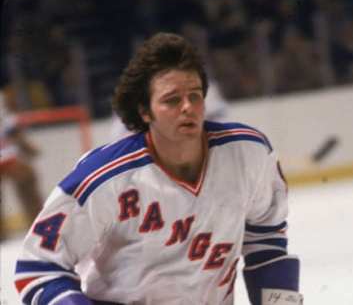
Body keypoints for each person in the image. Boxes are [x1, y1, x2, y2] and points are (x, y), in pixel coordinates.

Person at [15, 32, 302, 305]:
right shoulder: (103, 178)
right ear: (144, 111)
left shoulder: (248, 153)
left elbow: (266, 240)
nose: (188, 107)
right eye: (172, 100)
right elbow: (38, 267)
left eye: (195, 95)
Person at [0, 90, 43, 241]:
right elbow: (14, 132)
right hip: (7, 156)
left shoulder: (3, 100)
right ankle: (38, 226)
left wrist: (26, 147)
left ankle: (37, 225)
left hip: (8, 156)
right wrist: (28, 148)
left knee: (27, 178)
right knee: (27, 179)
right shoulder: (3, 100)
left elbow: (12, 130)